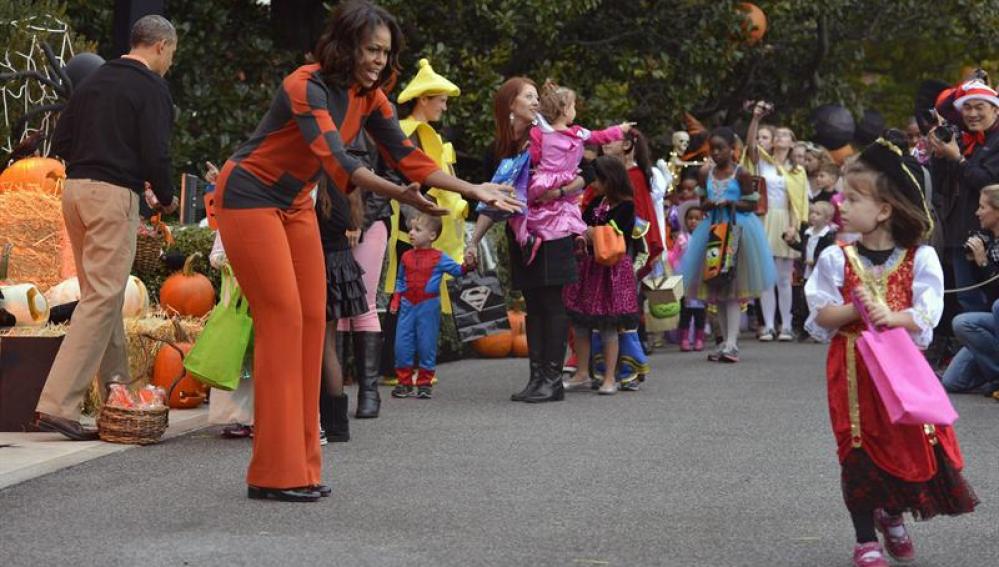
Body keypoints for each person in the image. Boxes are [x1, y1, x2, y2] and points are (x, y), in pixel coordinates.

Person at [213, 0, 520, 503]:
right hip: (249, 196)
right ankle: (272, 472)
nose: (379, 59)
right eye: (371, 48)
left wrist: (471, 188)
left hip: (293, 203)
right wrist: (399, 193)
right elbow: (338, 160)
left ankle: (302, 467)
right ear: (347, 43)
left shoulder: (370, 96)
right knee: (285, 320)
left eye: (386, 51)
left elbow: (407, 155)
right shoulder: (305, 84)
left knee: (314, 322)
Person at [805, 138, 978, 567]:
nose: (842, 204)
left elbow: (928, 313)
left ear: (884, 209)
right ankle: (865, 538)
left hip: (899, 370)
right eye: (843, 195)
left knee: (901, 445)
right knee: (857, 446)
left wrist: (892, 316)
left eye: (855, 197)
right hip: (851, 368)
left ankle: (892, 513)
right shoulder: (834, 257)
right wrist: (855, 308)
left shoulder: (920, 258)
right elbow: (820, 313)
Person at [34, 15, 179, 441]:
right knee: (101, 299)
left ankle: (118, 391)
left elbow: (61, 144)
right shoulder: (151, 86)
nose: (169, 62)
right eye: (171, 53)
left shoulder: (93, 82)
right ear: (159, 47)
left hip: (74, 192)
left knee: (104, 294)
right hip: (112, 196)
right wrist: (166, 195)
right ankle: (57, 404)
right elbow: (157, 151)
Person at [468, 77, 582, 404]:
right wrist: (474, 241)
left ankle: (552, 379)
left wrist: (558, 192)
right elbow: (492, 199)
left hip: (552, 230)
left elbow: (586, 172)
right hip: (520, 234)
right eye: (528, 97)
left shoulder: (551, 137)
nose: (535, 102)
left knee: (551, 302)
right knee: (533, 305)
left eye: (536, 96)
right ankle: (537, 377)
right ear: (510, 105)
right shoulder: (499, 149)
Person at [380, 58, 465, 401]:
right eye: (440, 99)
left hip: (422, 224)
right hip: (409, 227)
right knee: (403, 299)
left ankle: (408, 369)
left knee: (412, 301)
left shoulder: (428, 135)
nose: (444, 105)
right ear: (424, 99)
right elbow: (414, 179)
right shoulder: (409, 134)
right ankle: (395, 368)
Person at [679, 127, 776, 363]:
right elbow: (702, 202)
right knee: (718, 290)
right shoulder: (706, 173)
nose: (716, 153)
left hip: (737, 232)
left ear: (732, 149)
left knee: (732, 289)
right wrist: (709, 204)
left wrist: (730, 202)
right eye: (712, 149)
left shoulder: (740, 174)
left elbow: (752, 204)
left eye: (720, 148)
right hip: (712, 232)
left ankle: (732, 342)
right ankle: (723, 341)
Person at [516, 79, 631, 264]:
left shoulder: (540, 133)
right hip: (569, 179)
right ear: (565, 109)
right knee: (569, 209)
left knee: (537, 211)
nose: (575, 110)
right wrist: (620, 129)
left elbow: (535, 156)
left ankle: (534, 237)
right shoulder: (577, 133)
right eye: (574, 106)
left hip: (544, 179)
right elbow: (599, 136)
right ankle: (577, 235)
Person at [561, 156, 643, 395]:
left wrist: (588, 232)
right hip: (589, 266)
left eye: (595, 180)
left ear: (610, 179)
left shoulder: (627, 206)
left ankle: (609, 377)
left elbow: (614, 233)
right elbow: (582, 225)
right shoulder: (596, 201)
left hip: (611, 270)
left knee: (608, 324)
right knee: (580, 322)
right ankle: (583, 373)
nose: (591, 185)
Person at [929, 79, 999, 313]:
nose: (972, 113)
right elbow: (939, 184)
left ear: (995, 109)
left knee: (989, 302)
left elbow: (987, 183)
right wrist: (940, 155)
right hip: (959, 232)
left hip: (990, 234)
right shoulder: (962, 139)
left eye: (980, 107)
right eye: (967, 108)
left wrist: (957, 159)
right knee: (966, 302)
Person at [744, 103, 809, 342]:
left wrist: (795, 226)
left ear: (792, 143)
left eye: (785, 135)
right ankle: (769, 325)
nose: (780, 137)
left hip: (785, 220)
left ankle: (787, 325)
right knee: (765, 275)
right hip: (764, 218)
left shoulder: (797, 171)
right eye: (777, 135)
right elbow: (750, 145)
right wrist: (756, 119)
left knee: (784, 276)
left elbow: (799, 202)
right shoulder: (763, 164)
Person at [389, 213, 468, 399]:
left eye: (417, 229)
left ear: (432, 236)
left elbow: (458, 271)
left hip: (429, 305)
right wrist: (396, 300)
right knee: (402, 344)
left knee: (426, 343)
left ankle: (425, 383)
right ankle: (404, 382)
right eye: (411, 229)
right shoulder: (406, 256)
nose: (411, 233)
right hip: (408, 304)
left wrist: (468, 265)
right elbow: (400, 280)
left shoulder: (439, 257)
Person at [316, 175, 369, 444]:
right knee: (329, 346)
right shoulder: (345, 185)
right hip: (340, 264)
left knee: (318, 347)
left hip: (319, 264)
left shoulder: (317, 187)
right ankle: (337, 425)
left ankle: (322, 422)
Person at [942, 184, 999, 394]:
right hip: (994, 320)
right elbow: (983, 294)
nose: (977, 213)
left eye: (983, 207)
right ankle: (994, 373)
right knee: (952, 382)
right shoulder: (988, 239)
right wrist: (974, 262)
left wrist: (984, 264)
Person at [668, 200, 707, 351]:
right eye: (690, 218)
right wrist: (672, 264)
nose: (693, 221)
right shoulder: (682, 238)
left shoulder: (704, 238)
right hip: (686, 280)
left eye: (697, 219)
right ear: (685, 220)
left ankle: (699, 338)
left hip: (700, 280)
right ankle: (684, 339)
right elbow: (674, 256)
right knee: (685, 311)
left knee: (700, 312)